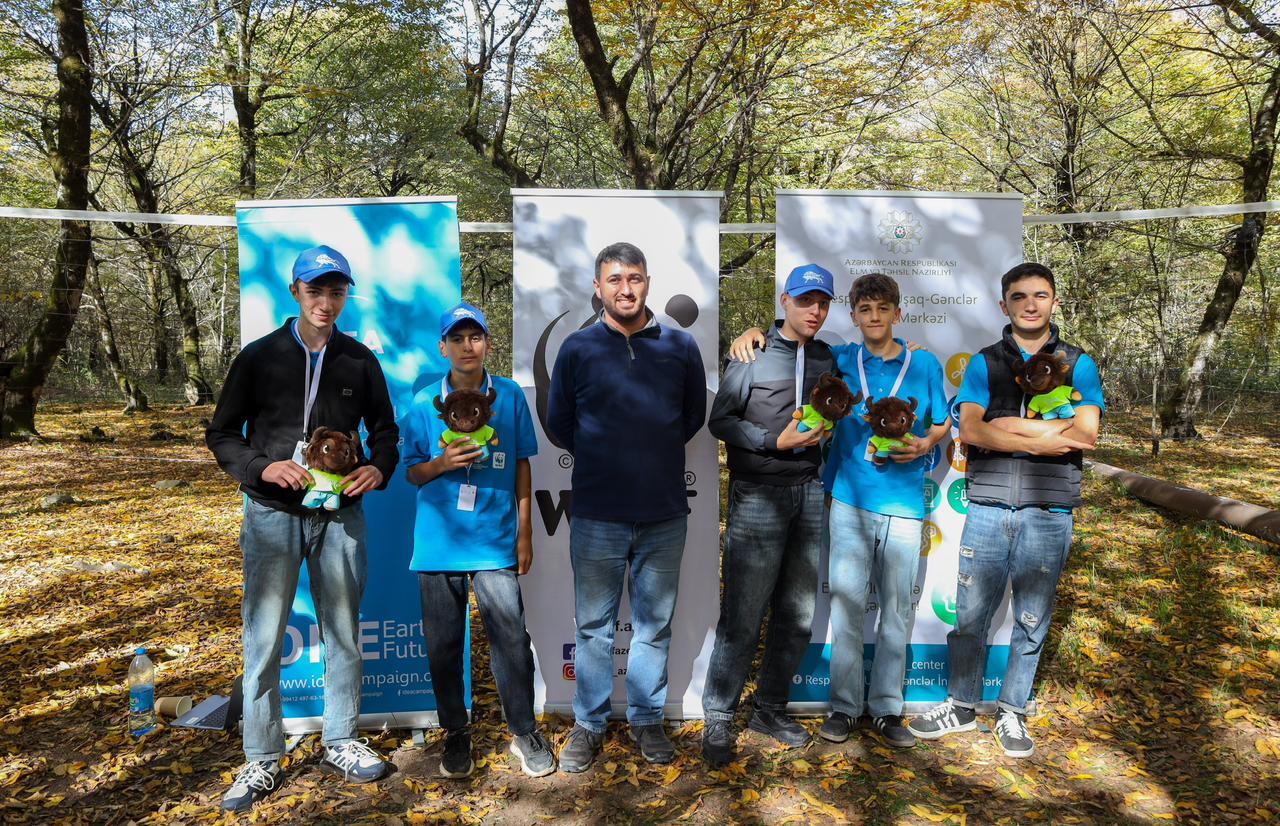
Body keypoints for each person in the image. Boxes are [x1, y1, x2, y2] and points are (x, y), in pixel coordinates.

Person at [206, 245, 397, 813]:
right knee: (264, 636)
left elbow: (385, 432)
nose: (326, 302)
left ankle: (340, 740)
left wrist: (378, 468)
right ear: (295, 292)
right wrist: (262, 467)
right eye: (315, 291)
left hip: (340, 513)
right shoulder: (259, 357)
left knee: (344, 629)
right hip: (272, 513)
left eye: (336, 292)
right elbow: (222, 434)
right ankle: (262, 756)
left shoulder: (359, 360)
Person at [907, 262, 1103, 758]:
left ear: (1055, 302)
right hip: (989, 505)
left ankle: (1013, 710)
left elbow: (1085, 434)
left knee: (1032, 618)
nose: (1030, 305)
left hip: (1049, 510)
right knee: (970, 615)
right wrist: (1044, 438)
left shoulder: (1078, 363)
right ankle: (962, 705)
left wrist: (1011, 429)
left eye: (1040, 295)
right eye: (1019, 297)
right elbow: (971, 430)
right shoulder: (984, 364)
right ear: (1004, 305)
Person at [547, 241, 707, 772]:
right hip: (597, 512)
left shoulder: (681, 346)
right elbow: (559, 422)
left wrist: (650, 450)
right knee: (592, 627)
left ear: (647, 283)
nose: (625, 289)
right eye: (614, 279)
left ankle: (646, 720)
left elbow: (691, 417)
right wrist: (606, 454)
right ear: (598, 287)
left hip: (664, 512)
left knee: (653, 626)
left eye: (634, 278)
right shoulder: (576, 348)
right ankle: (589, 725)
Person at [402, 302, 556, 780]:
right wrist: (442, 464)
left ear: (487, 343)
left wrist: (525, 531)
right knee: (443, 645)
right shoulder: (424, 402)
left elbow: (522, 463)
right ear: (443, 347)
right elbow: (411, 472)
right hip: (438, 545)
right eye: (457, 338)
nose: (467, 346)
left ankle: (523, 731)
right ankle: (456, 732)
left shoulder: (508, 396)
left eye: (475, 337)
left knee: (511, 639)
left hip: (495, 540)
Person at [700, 263, 838, 766]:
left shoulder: (827, 357)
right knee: (743, 613)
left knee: (797, 616)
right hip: (758, 495)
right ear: (785, 302)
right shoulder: (751, 353)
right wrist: (770, 441)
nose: (814, 311)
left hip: (810, 495)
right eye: (805, 301)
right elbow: (720, 420)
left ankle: (769, 709)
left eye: (822, 303)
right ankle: (719, 714)